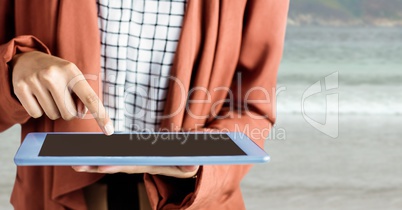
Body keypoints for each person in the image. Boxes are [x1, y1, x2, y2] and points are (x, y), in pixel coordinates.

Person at [0, 0, 289, 209]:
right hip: (51, 197)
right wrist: (15, 67)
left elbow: (253, 108)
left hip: (189, 199)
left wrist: (205, 167)